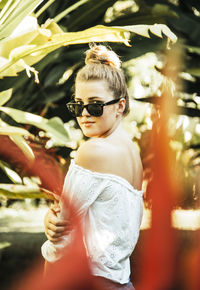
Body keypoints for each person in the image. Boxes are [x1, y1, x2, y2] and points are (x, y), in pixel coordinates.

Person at [41, 44, 143, 289]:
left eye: (95, 105)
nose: (84, 114)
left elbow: (59, 243)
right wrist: (51, 219)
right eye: (78, 104)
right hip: (122, 282)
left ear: (120, 105)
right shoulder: (131, 151)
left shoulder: (93, 151)